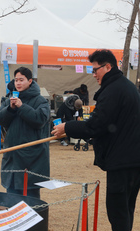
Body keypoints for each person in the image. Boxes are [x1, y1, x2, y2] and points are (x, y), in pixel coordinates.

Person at [52, 49, 140, 231]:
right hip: (132, 159)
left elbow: (95, 125)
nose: (93, 75)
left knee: (118, 212)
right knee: (126, 209)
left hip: (122, 160)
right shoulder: (125, 86)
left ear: (108, 67)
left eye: (95, 70)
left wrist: (66, 127)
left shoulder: (114, 90)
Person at [0, 67, 50, 199]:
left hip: (32, 157)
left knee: (31, 195)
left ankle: (35, 219)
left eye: (21, 80)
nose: (18, 83)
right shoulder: (10, 99)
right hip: (12, 154)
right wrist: (11, 109)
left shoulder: (40, 100)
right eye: (16, 80)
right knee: (12, 194)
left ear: (30, 81)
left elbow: (40, 120)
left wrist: (22, 106)